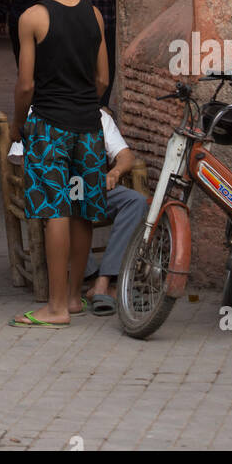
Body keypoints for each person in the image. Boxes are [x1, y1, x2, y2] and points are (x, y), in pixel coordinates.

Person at [8, 0, 109, 328]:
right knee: (82, 208)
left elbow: (26, 85)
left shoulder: (32, 17)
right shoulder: (95, 15)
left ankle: (54, 308)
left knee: (55, 211)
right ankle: (72, 297)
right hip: (88, 126)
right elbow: (102, 77)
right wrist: (84, 101)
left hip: (49, 126)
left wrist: (20, 123)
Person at [83, 108, 147, 316]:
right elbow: (19, 157)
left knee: (135, 201)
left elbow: (125, 155)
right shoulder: (37, 112)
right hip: (60, 190)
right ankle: (96, 281)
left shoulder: (98, 115)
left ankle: (104, 280)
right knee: (59, 209)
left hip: (96, 190)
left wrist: (116, 171)